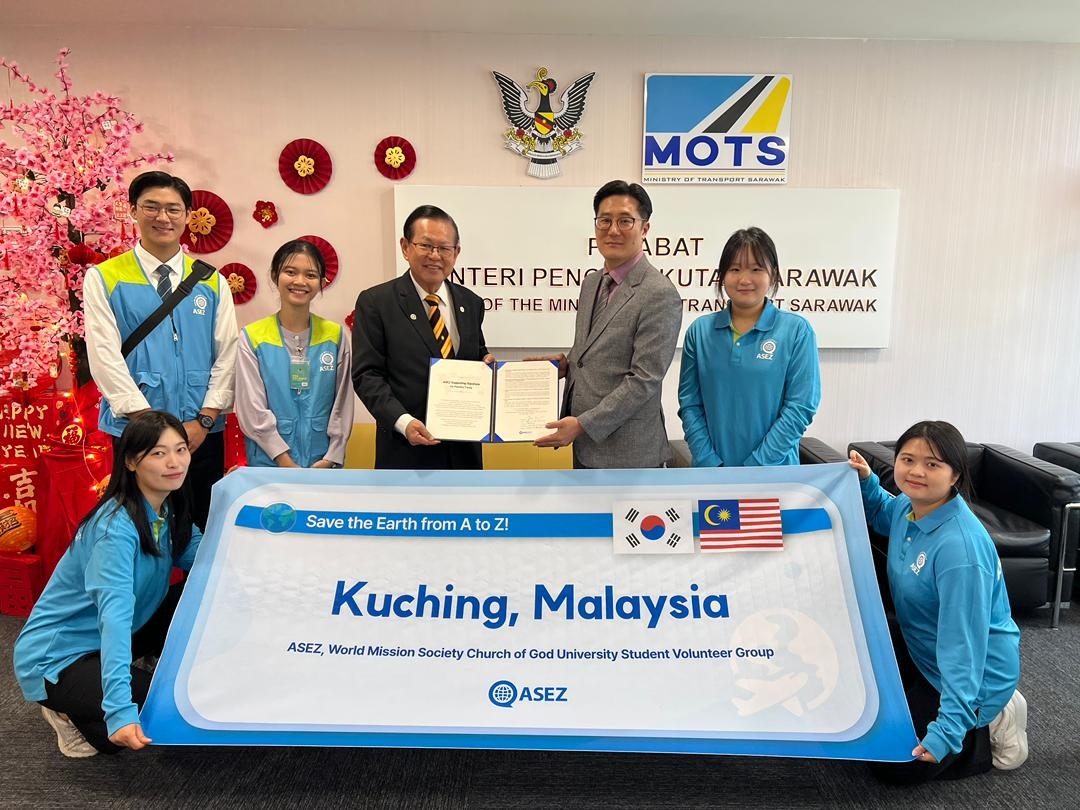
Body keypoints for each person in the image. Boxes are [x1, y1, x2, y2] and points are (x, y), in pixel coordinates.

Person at [13, 411, 201, 757]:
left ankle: (124, 679)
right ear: (130, 461)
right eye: (158, 453)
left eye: (180, 450)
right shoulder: (114, 530)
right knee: (154, 712)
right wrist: (119, 712)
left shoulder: (168, 504)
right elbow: (113, 619)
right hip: (59, 656)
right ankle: (65, 710)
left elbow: (203, 557)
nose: (174, 463)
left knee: (196, 597)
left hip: (119, 630)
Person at [848, 421, 1028, 783]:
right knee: (855, 664)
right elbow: (884, 512)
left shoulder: (960, 551)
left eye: (932, 464)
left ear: (955, 475)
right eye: (908, 459)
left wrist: (947, 732)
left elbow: (962, 649)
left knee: (894, 767)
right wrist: (867, 482)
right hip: (924, 647)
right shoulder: (911, 506)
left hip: (970, 673)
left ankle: (988, 725)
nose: (916, 472)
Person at [84, 170, 238, 530]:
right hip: (136, 432)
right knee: (138, 527)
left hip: (199, 432)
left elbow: (228, 353)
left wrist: (205, 419)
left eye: (173, 209)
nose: (162, 217)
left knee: (201, 524)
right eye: (151, 207)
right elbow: (104, 356)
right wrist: (149, 425)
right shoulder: (105, 277)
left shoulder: (212, 281)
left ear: (187, 216)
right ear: (133, 211)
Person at [534, 180, 682, 468]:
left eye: (625, 221)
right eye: (605, 220)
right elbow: (592, 352)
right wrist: (568, 365)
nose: (613, 230)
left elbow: (645, 379)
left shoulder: (659, 293)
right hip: (583, 447)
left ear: (645, 229)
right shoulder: (591, 283)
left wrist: (583, 424)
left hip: (629, 454)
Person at [352, 205, 493, 469]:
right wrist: (403, 422)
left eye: (444, 248)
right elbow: (367, 376)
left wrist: (487, 365)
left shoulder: (471, 303)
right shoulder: (376, 302)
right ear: (405, 247)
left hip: (465, 456)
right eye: (426, 246)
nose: (435, 256)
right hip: (405, 453)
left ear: (456, 253)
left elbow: (476, 354)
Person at [678, 227, 820, 467]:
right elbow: (690, 404)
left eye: (756, 269)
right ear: (722, 276)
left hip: (774, 474)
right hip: (712, 473)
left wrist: (757, 466)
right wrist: (709, 462)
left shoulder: (796, 331)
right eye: (734, 269)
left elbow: (801, 407)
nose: (744, 279)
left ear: (773, 275)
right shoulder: (699, 332)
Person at [236, 239, 353, 468]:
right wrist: (284, 461)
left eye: (310, 275)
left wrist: (331, 458)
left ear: (322, 282)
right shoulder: (252, 337)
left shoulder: (335, 336)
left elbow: (343, 404)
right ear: (274, 276)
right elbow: (252, 409)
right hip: (269, 463)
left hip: (323, 464)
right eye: (290, 272)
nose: (300, 281)